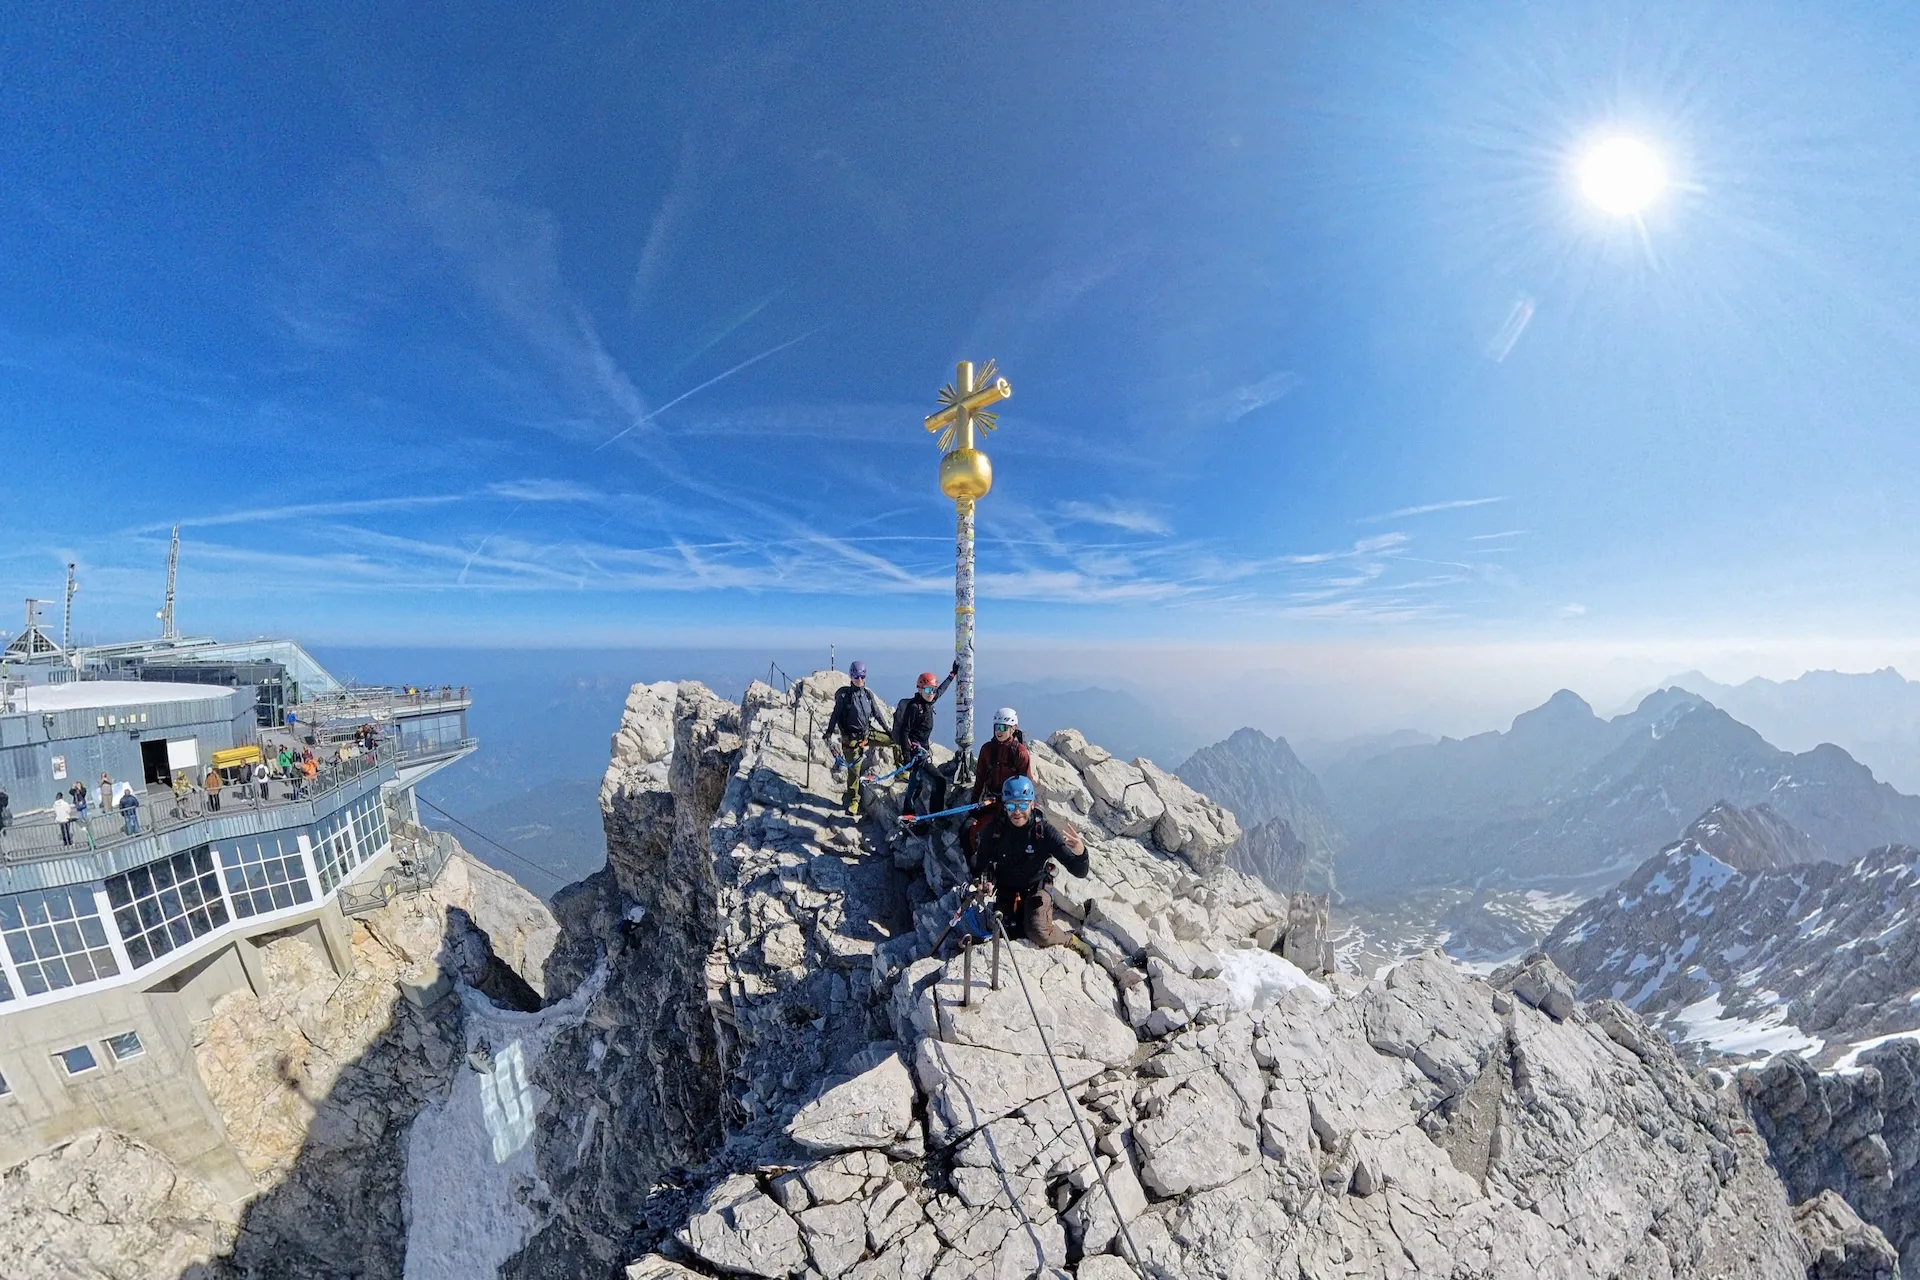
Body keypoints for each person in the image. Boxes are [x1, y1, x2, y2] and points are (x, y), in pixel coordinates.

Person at [969, 776, 1088, 948]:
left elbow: (1080, 871)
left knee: (1038, 932)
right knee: (1004, 932)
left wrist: (1081, 853)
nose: (1017, 812)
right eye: (1011, 806)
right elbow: (980, 864)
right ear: (1004, 806)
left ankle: (1072, 940)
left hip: (1037, 887)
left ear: (1032, 804)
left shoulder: (1044, 832)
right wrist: (983, 881)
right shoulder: (994, 831)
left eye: (1023, 805)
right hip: (1007, 887)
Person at [820, 661, 895, 815]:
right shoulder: (844, 697)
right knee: (854, 771)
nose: (859, 679)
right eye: (856, 676)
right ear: (851, 676)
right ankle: (854, 801)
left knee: (895, 741)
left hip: (867, 733)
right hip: (851, 740)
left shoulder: (867, 694)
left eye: (862, 676)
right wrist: (828, 733)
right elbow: (835, 715)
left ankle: (903, 772)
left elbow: (877, 714)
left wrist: (888, 731)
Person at [891, 662, 958, 816]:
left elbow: (941, 690)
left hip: (921, 752)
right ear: (919, 689)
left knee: (918, 782)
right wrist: (907, 756)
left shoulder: (928, 702)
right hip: (916, 752)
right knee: (930, 782)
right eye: (927, 690)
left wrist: (952, 675)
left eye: (932, 690)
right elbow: (904, 731)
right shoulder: (915, 707)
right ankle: (924, 814)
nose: (931, 693)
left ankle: (913, 813)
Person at [965, 707, 1031, 856]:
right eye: (996, 727)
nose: (998, 731)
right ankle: (975, 867)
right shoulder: (987, 750)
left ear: (1013, 729)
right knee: (968, 829)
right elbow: (980, 778)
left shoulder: (1020, 753)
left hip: (1011, 805)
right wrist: (974, 801)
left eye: (1003, 727)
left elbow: (1026, 783)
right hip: (992, 801)